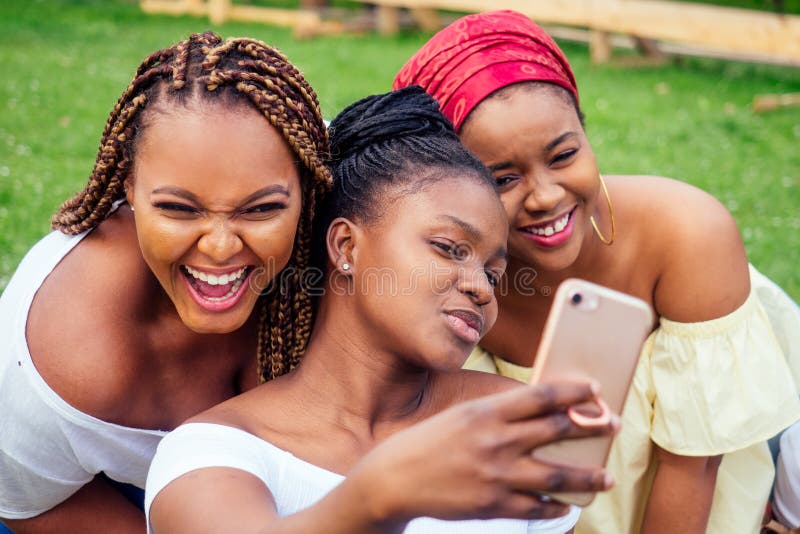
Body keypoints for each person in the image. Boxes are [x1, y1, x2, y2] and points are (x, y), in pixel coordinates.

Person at [394, 10, 800, 534]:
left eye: (563, 155)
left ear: (585, 132)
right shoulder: (443, 275)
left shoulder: (685, 233)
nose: (545, 196)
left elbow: (694, 463)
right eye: (504, 177)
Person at [145, 86, 620, 533]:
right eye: (449, 247)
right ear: (346, 245)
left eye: (494, 274)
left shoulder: (510, 429)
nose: (480, 288)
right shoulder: (216, 449)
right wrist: (380, 495)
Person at [0, 31, 332, 532]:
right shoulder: (55, 357)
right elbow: (27, 502)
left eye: (262, 209)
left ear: (308, 189)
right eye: (178, 208)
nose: (220, 248)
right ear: (128, 187)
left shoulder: (352, 227)